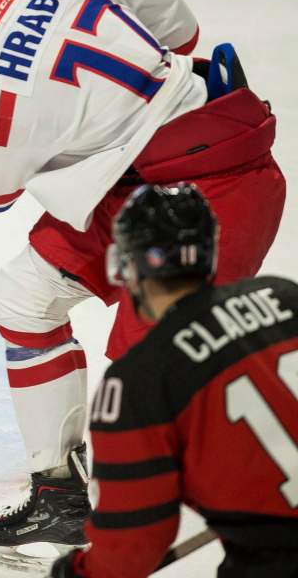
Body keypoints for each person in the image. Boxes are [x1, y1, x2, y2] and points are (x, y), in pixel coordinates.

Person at [0, 0, 285, 570]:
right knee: (25, 297)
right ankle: (61, 498)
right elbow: (179, 27)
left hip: (211, 194)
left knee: (147, 378)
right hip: (147, 174)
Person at [51, 183, 298, 578]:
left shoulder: (137, 381)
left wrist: (80, 571)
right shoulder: (284, 297)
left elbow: (133, 546)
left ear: (131, 266)